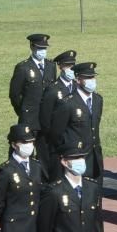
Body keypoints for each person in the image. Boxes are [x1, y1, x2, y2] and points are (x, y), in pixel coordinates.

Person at [49, 62, 117, 232]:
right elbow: (56, 133)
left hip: (94, 157)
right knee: (70, 202)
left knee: (94, 199)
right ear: (78, 79)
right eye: (87, 78)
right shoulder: (68, 103)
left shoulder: (97, 100)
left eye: (93, 77)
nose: (91, 81)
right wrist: (67, 154)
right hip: (75, 159)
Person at [9, 33, 56, 166]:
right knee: (25, 150)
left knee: (45, 152)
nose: (42, 51)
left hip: (46, 118)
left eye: (44, 49)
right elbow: (14, 94)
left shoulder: (51, 66)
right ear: (32, 47)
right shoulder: (23, 67)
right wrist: (23, 110)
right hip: (29, 118)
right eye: (39, 48)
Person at [39, 49, 78, 180]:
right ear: (60, 67)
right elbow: (45, 119)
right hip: (58, 142)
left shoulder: (78, 87)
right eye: (68, 66)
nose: (71, 69)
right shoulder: (53, 89)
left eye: (73, 66)